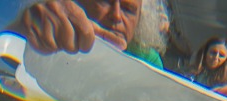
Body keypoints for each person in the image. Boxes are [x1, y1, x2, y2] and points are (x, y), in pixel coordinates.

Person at [13, 0, 168, 68]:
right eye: (104, 1)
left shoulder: (148, 60)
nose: (116, 15)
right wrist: (26, 28)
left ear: (140, 20)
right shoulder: (53, 36)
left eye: (128, 9)